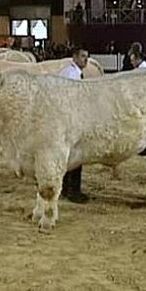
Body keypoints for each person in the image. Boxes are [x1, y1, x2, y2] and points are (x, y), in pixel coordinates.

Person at [59, 48, 90, 203]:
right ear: (75, 57)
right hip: (71, 119)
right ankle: (73, 191)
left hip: (66, 119)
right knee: (76, 156)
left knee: (69, 156)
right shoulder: (72, 74)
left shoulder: (70, 71)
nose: (86, 60)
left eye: (87, 57)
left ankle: (66, 188)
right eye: (83, 56)